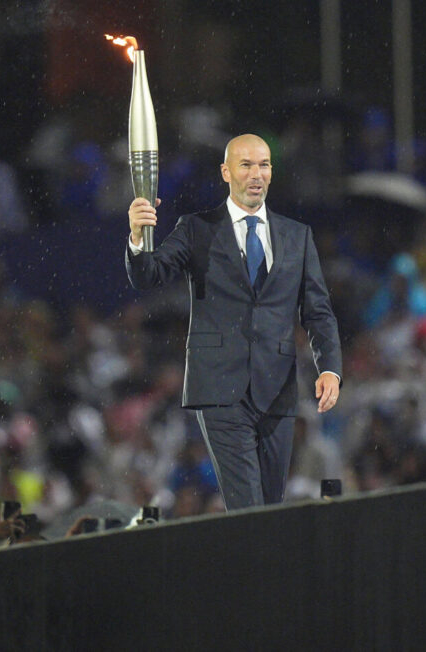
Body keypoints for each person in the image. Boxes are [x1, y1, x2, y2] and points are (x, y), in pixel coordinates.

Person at [125, 133, 342, 510]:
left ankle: (263, 570)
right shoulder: (196, 229)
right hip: (219, 389)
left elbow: (318, 311)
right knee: (248, 506)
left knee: (270, 507)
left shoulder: (297, 236)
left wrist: (330, 370)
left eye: (264, 165)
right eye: (246, 165)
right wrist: (138, 237)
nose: (257, 174)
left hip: (277, 389)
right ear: (226, 172)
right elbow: (149, 275)